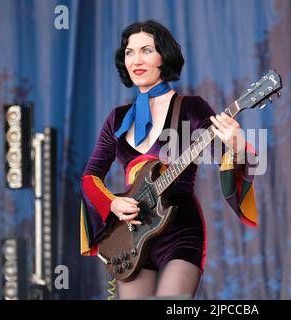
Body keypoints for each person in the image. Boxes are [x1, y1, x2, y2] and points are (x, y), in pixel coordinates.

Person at [79, 20, 258, 299]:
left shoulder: (191, 107)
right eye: (129, 52)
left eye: (147, 50)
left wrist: (237, 145)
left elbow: (224, 158)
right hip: (131, 235)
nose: (136, 59)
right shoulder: (116, 118)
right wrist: (113, 202)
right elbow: (90, 177)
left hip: (180, 229)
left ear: (164, 55)